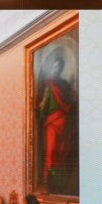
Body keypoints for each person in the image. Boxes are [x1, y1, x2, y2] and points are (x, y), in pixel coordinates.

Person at [36, 51, 78, 195]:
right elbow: (45, 103)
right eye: (55, 67)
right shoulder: (50, 85)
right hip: (53, 122)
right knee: (51, 151)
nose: (57, 69)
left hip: (64, 122)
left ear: (61, 68)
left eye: (59, 67)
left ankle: (60, 183)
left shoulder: (65, 85)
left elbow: (71, 102)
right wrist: (39, 109)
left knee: (62, 152)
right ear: (52, 68)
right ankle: (48, 180)